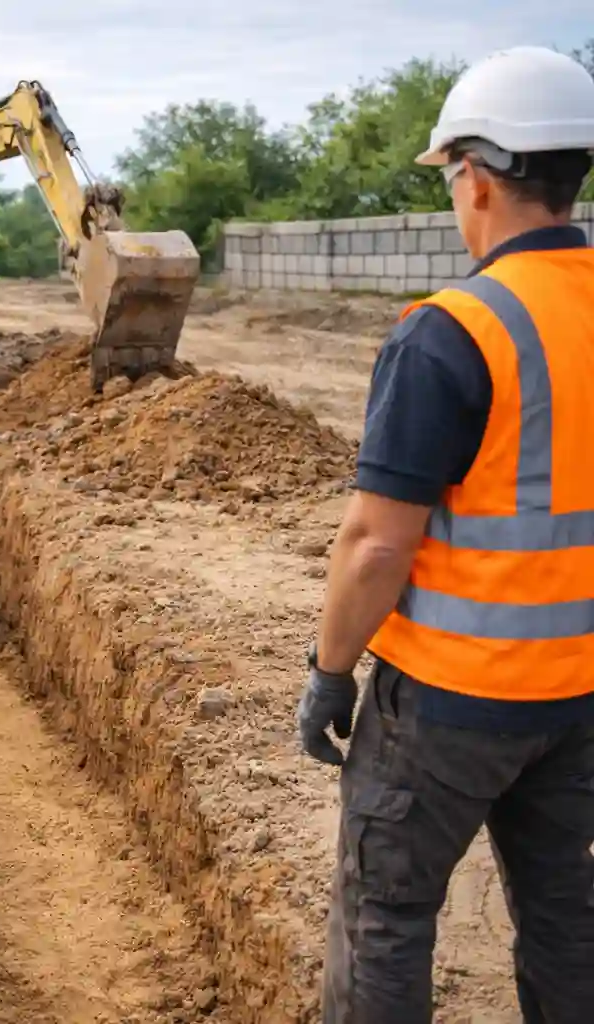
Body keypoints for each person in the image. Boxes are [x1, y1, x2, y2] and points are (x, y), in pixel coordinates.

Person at [295, 45, 594, 1023]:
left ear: (474, 175)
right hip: (578, 694)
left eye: (455, 174)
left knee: (384, 916)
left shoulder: (451, 329)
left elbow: (375, 544)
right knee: (566, 915)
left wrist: (331, 669)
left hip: (448, 707)